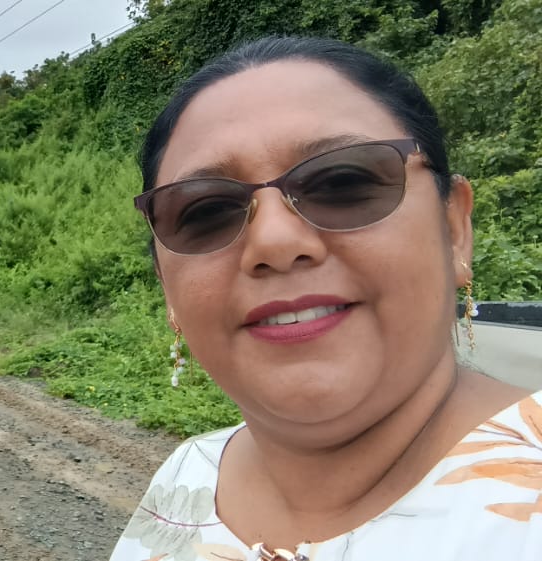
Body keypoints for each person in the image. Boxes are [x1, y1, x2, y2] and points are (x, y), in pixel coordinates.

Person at [110, 37, 542, 561]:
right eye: (205, 212)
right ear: (167, 287)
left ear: (454, 229)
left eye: (342, 181)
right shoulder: (186, 476)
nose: (274, 242)